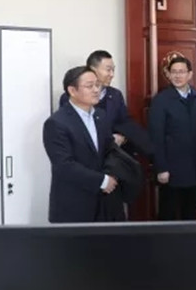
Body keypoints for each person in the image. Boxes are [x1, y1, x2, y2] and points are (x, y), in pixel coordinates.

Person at [43, 66, 117, 223]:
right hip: (73, 204)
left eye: (97, 85)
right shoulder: (57, 123)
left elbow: (110, 149)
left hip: (104, 202)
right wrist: (102, 181)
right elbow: (64, 165)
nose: (96, 90)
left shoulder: (100, 116)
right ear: (72, 90)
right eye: (89, 86)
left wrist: (111, 174)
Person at [148, 56, 196, 221]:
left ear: (190, 74)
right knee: (169, 215)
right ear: (168, 74)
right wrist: (161, 168)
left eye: (182, 72)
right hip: (171, 170)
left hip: (195, 169)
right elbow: (156, 136)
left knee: (190, 213)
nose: (177, 76)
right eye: (174, 72)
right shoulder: (161, 100)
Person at [59, 50, 152, 156]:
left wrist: (122, 137)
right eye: (108, 70)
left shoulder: (115, 95)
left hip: (112, 156)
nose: (112, 74)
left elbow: (126, 122)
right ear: (93, 70)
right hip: (84, 156)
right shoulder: (71, 97)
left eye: (113, 70)